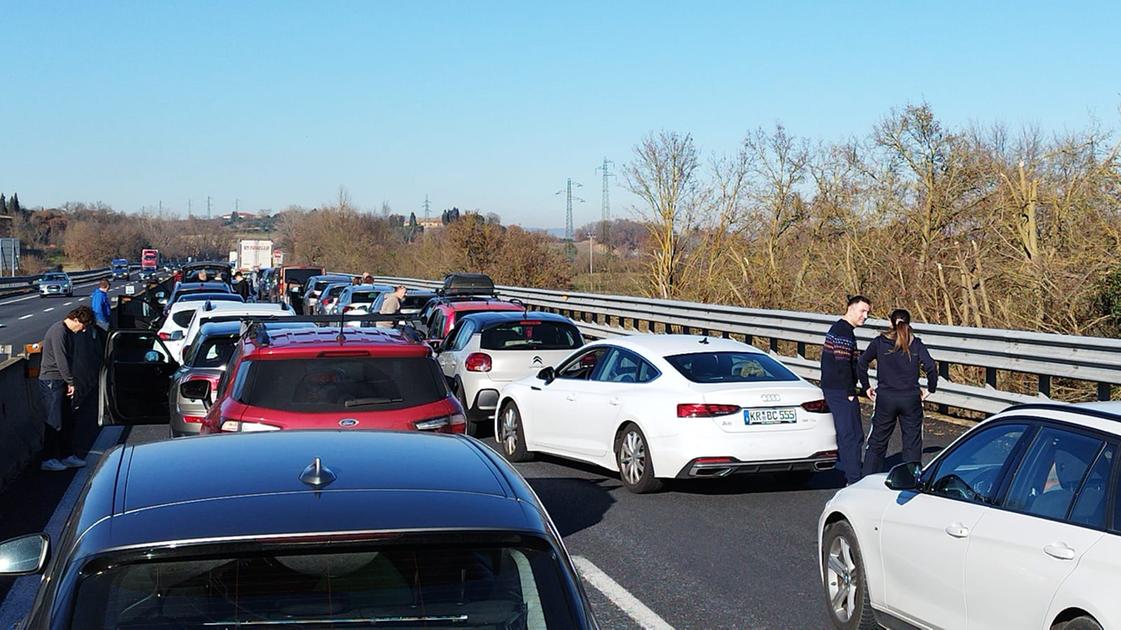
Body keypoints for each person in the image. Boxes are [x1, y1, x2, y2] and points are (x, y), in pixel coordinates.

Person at [859, 309, 938, 476]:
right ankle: (910, 480)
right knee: (912, 442)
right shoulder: (915, 344)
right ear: (909, 324)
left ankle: (867, 478)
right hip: (910, 399)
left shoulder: (880, 342)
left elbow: (862, 362)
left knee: (877, 441)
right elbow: (931, 367)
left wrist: (866, 386)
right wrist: (930, 389)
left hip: (886, 398)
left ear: (890, 322)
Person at [820, 295, 871, 486]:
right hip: (840, 390)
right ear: (851, 308)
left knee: (851, 433)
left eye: (867, 313)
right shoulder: (843, 332)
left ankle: (851, 471)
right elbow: (842, 364)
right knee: (852, 434)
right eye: (862, 311)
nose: (865, 316)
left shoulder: (841, 329)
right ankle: (854, 479)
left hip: (835, 388)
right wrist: (850, 392)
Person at [38, 306, 95, 471]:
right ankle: (48, 459)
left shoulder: (68, 332)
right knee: (54, 421)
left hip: (60, 381)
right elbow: (61, 359)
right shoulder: (59, 332)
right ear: (76, 320)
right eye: (83, 326)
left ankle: (66, 455)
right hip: (51, 381)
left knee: (67, 420)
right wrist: (71, 382)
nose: (83, 330)